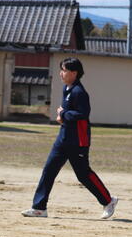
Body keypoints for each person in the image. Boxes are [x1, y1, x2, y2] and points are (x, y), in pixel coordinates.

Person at [22, 57, 118, 219]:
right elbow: (67, 114)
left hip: (78, 140)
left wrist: (63, 114)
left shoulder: (79, 92)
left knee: (83, 175)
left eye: (64, 70)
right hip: (63, 138)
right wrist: (63, 117)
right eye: (61, 69)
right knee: (49, 170)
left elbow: (83, 114)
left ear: (74, 73)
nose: (61, 73)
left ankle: (108, 201)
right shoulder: (67, 88)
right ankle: (39, 208)